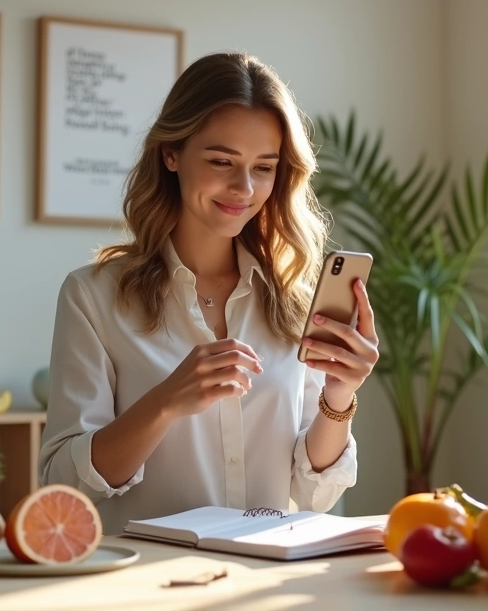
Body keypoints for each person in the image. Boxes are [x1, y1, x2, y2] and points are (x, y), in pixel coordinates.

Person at [38, 52, 379, 535]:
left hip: (262, 585)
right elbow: (64, 485)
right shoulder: (92, 296)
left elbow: (313, 491)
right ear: (171, 154)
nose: (244, 187)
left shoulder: (295, 304)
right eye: (222, 161)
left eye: (264, 167)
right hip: (148, 586)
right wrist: (164, 402)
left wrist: (340, 397)